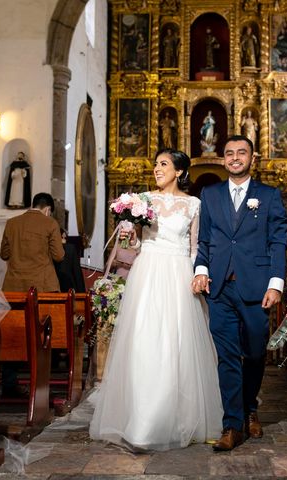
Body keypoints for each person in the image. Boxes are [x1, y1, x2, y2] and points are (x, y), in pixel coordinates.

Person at [89, 149, 223, 451]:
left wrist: (194, 277)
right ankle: (140, 421)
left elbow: (194, 246)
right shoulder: (142, 201)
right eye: (155, 164)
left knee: (176, 343)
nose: (156, 169)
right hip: (147, 272)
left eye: (163, 164)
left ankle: (174, 418)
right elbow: (135, 244)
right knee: (144, 340)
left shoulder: (193, 204)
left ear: (178, 171)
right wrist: (128, 230)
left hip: (177, 274)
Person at [192, 135, 287, 451]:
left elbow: (277, 241)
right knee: (228, 357)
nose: (235, 157)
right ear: (223, 159)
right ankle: (232, 425)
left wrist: (276, 283)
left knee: (256, 352)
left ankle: (249, 408)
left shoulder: (269, 195)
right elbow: (204, 240)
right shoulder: (210, 194)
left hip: (256, 286)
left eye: (241, 153)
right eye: (229, 153)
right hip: (219, 287)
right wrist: (201, 270)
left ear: (253, 157)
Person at [0, 192, 65, 292]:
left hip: (14, 284)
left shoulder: (11, 223)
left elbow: (4, 254)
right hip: (42, 285)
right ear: (48, 209)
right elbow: (58, 256)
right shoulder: (50, 223)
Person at [55, 228, 86, 293]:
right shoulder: (70, 249)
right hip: (69, 288)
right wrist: (82, 292)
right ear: (63, 235)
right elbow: (77, 273)